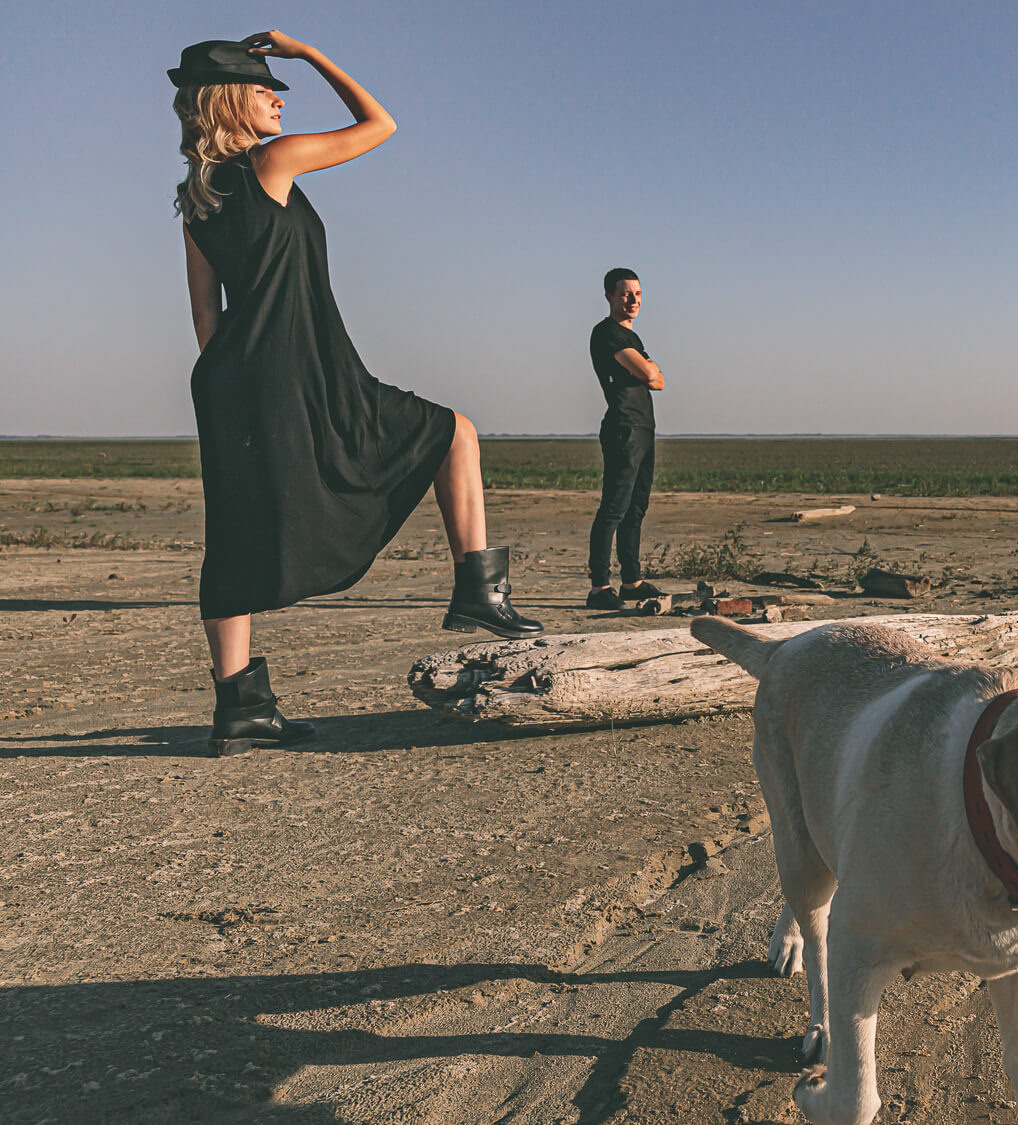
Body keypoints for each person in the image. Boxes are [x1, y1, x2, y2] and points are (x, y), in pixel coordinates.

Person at [171, 33, 542, 757]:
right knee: (453, 431)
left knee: (234, 535)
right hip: (302, 367)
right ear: (230, 102)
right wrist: (308, 53)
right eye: (264, 88)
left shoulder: (197, 199)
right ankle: (479, 592)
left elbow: (205, 317)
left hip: (231, 379)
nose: (278, 98)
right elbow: (380, 124)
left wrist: (235, 390)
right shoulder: (271, 162)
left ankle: (239, 709)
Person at [585, 268, 668, 609]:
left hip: (644, 428)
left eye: (638, 293)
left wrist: (650, 372)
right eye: (625, 293)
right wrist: (648, 369)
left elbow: (660, 382)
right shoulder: (607, 333)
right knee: (614, 508)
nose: (633, 300)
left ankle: (632, 582)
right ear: (609, 296)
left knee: (636, 509)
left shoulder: (632, 338)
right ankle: (599, 588)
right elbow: (651, 373)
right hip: (623, 428)